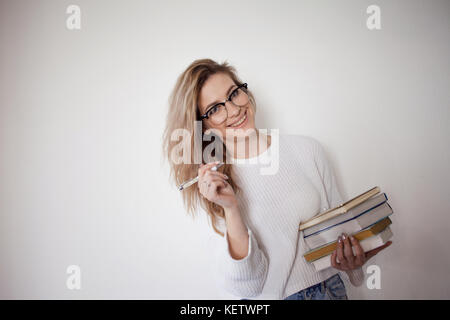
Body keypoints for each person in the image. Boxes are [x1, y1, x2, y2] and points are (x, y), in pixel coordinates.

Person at [162, 58, 392, 300]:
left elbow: (340, 232)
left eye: (233, 94)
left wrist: (352, 261)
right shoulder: (213, 187)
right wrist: (231, 209)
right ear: (205, 127)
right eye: (216, 109)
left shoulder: (308, 150)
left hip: (332, 291)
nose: (234, 110)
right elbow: (248, 287)